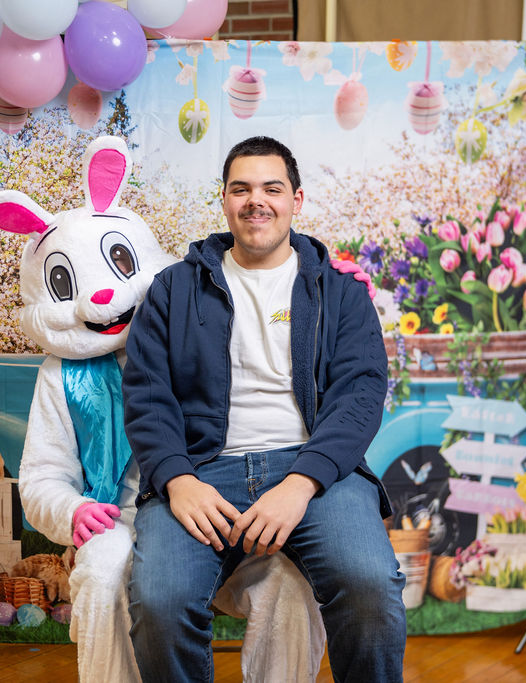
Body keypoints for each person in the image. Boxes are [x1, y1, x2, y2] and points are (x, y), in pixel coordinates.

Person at [0, 135, 326, 683]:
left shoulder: (202, 325)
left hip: (227, 507)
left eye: (118, 264)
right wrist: (71, 510)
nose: (99, 296)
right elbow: (43, 474)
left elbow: (279, 342)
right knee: (105, 567)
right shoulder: (64, 376)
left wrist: (325, 288)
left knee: (288, 580)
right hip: (125, 518)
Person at [123, 136, 407, 682]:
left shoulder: (340, 294)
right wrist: (177, 480)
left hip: (315, 469)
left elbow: (360, 395)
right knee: (160, 603)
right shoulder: (173, 290)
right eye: (242, 188)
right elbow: (147, 394)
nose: (257, 201)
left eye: (272, 188)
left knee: (371, 585)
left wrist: (300, 484)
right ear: (225, 200)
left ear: (296, 199)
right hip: (202, 472)